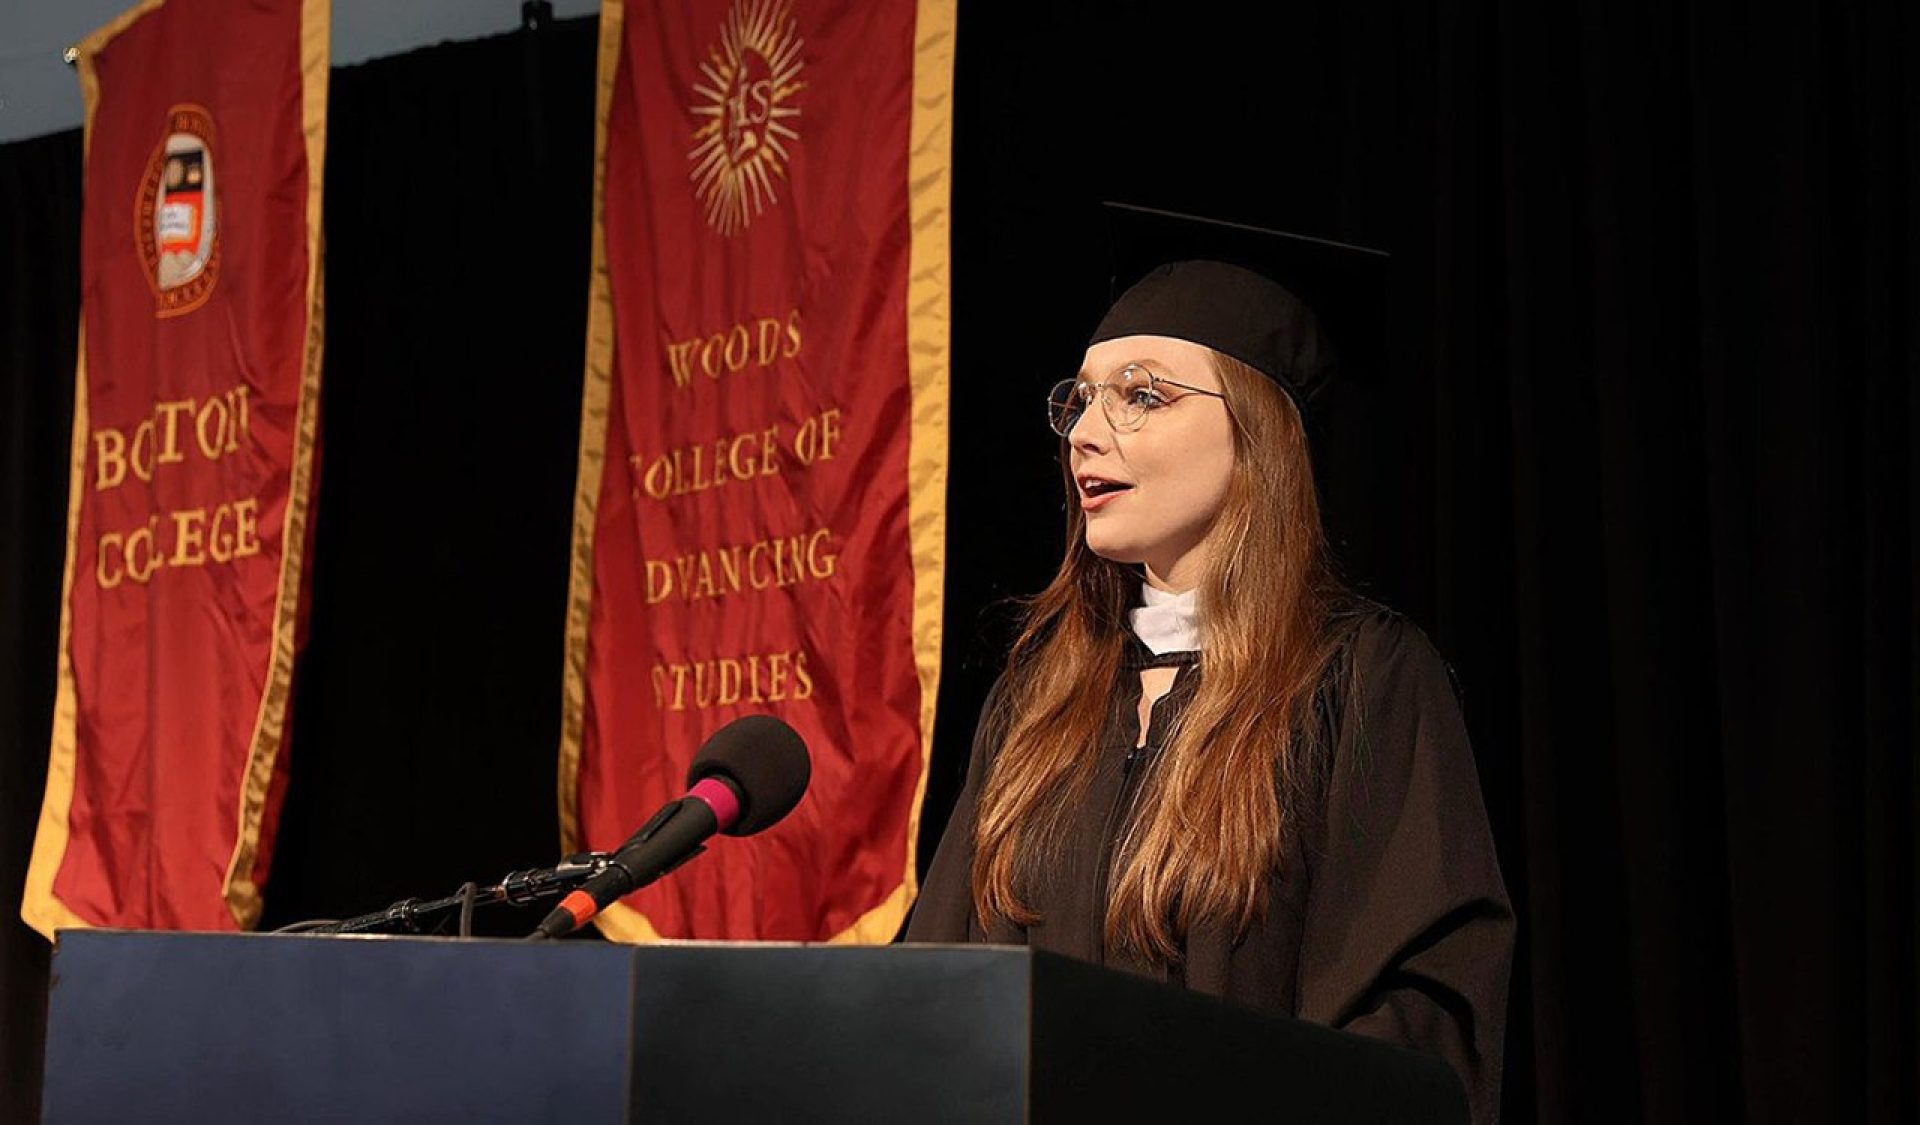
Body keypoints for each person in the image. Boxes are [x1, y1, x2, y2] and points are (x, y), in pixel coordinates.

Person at [906, 260, 1514, 1122]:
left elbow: (1418, 1022)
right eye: (1078, 400)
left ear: (1259, 433)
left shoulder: (1359, 681)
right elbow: (939, 991)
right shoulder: (1038, 702)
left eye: (1141, 395)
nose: (1085, 433)